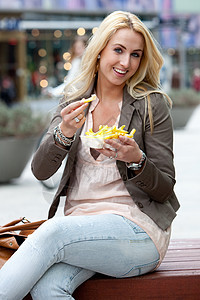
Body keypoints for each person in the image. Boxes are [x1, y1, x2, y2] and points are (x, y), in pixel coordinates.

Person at [0, 11, 180, 300]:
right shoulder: (74, 103)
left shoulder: (151, 104)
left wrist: (136, 159)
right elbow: (40, 171)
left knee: (52, 231)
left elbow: (165, 188)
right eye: (118, 50)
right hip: (80, 231)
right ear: (99, 51)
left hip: (138, 232)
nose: (126, 63)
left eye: (135, 54)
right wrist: (65, 132)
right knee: (48, 288)